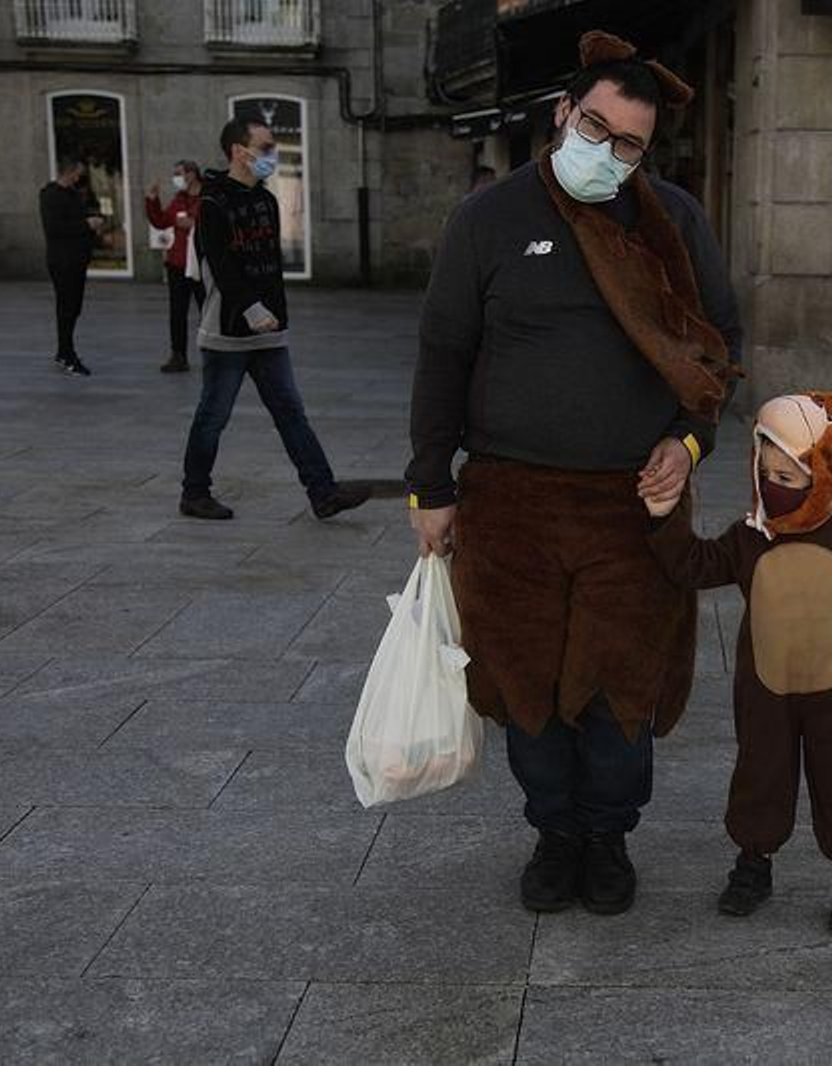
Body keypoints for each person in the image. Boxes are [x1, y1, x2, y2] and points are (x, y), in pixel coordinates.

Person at [406, 30, 743, 917]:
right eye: (592, 127)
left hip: (634, 503)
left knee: (621, 689)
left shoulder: (674, 222)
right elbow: (443, 354)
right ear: (562, 114)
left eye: (627, 142)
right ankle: (554, 834)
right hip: (509, 503)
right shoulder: (488, 218)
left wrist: (689, 443)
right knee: (527, 686)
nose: (606, 150)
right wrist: (429, 487)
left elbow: (722, 353)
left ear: (646, 152)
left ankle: (607, 836)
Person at [646, 392, 832, 933]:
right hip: (765, 690)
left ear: (822, 479)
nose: (774, 487)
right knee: (760, 775)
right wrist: (663, 519)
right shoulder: (751, 538)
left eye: (789, 477)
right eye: (765, 471)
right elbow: (694, 565)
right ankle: (753, 863)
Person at [179, 118, 372, 522]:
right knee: (213, 417)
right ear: (238, 151)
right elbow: (223, 266)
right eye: (265, 147)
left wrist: (277, 316)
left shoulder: (266, 201)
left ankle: (324, 493)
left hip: (269, 335)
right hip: (227, 333)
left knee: (290, 412)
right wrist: (252, 310)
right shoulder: (213, 205)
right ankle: (194, 493)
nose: (272, 155)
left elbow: (270, 267)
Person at [39, 156, 104, 376]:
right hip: (62, 261)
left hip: (77, 259)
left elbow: (77, 219)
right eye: (78, 172)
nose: (80, 177)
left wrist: (93, 223)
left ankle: (63, 350)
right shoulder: (50, 195)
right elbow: (55, 228)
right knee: (67, 307)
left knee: (74, 307)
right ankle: (68, 353)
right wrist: (86, 224)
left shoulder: (74, 194)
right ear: (68, 172)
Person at [145, 160, 205, 373]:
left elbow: (219, 225)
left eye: (178, 173)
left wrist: (195, 225)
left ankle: (216, 355)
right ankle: (178, 356)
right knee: (177, 312)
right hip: (178, 263)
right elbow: (161, 221)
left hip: (200, 264)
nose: (176, 178)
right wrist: (152, 200)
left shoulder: (207, 197)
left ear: (191, 174)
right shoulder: (179, 199)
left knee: (207, 311)